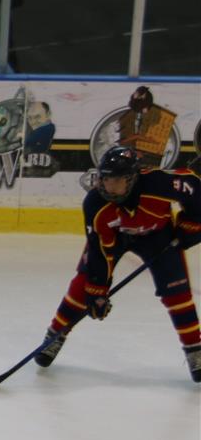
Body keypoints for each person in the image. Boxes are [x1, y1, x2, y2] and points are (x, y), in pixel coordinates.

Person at [37, 145, 201, 381]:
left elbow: (194, 188)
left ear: (132, 178)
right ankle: (54, 336)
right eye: (105, 179)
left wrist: (192, 226)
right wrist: (97, 291)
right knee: (83, 284)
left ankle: (195, 350)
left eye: (116, 181)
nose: (108, 187)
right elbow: (99, 252)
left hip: (158, 235)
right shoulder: (95, 203)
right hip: (116, 236)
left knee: (177, 291)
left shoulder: (158, 184)